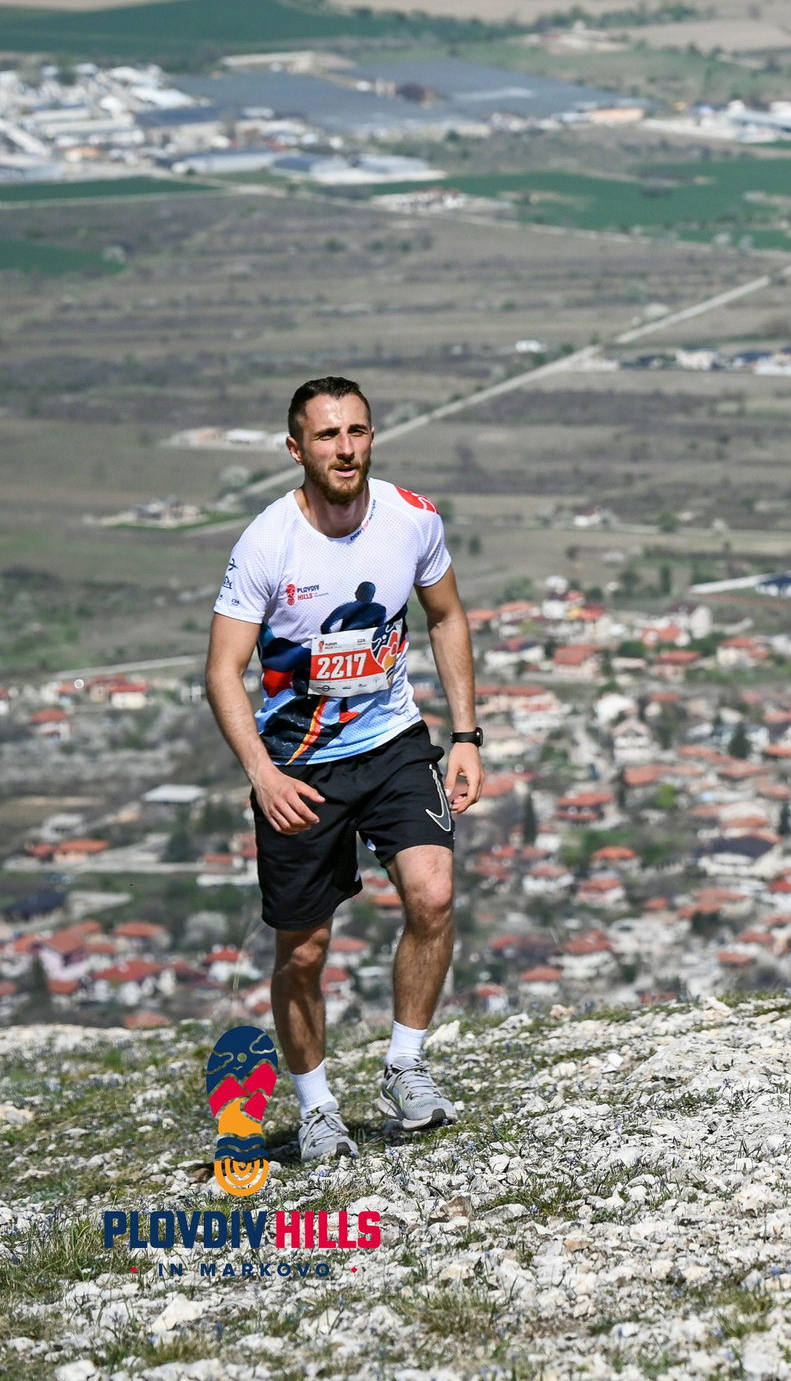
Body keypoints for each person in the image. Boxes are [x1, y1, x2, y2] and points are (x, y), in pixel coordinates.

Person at [205, 376, 478, 1162]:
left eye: (357, 431)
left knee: (434, 895)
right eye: (327, 436)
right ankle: (317, 1105)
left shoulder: (412, 518)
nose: (346, 448)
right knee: (302, 953)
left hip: (392, 742)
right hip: (298, 764)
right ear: (297, 449)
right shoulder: (266, 543)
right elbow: (224, 671)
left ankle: (406, 1067)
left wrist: (466, 735)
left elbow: (446, 615)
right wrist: (261, 773)